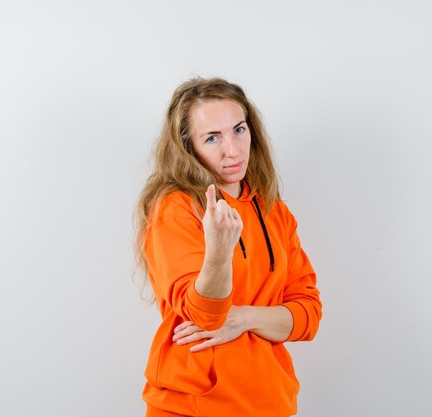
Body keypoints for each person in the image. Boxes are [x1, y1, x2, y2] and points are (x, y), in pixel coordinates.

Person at [134, 77, 322, 417]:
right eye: (212, 138)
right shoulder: (174, 208)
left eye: (238, 130)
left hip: (270, 404)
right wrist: (219, 252)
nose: (232, 150)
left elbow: (308, 316)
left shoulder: (274, 212)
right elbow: (205, 315)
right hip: (191, 407)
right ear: (188, 148)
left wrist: (245, 318)